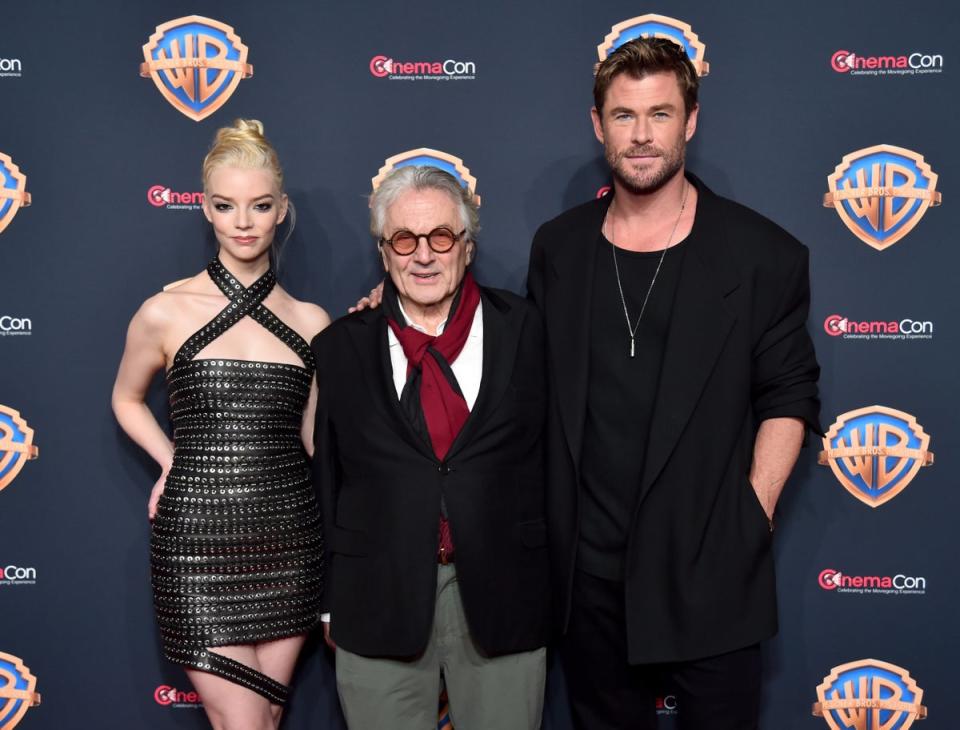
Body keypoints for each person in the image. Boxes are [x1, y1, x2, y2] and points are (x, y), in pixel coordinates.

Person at [526, 38, 822, 729]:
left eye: (659, 114)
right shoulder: (559, 248)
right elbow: (518, 367)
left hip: (709, 567)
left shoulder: (761, 255)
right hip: (587, 577)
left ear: (690, 120)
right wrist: (397, 308)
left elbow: (789, 393)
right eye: (623, 115)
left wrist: (754, 512)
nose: (641, 135)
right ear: (597, 124)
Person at [311, 166, 550, 730]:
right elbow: (328, 479)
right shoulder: (340, 347)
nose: (424, 255)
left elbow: (556, 461)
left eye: (441, 236)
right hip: (376, 595)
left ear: (466, 247)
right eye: (404, 239)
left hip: (505, 592)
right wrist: (327, 600)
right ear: (384, 251)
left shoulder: (529, 330)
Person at [112, 119, 329, 730]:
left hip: (288, 541)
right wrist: (172, 459)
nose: (243, 222)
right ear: (205, 208)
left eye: (260, 206)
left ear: (281, 211)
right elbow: (127, 399)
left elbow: (317, 441)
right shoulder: (165, 310)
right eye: (226, 206)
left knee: (263, 722)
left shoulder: (313, 322)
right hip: (197, 543)